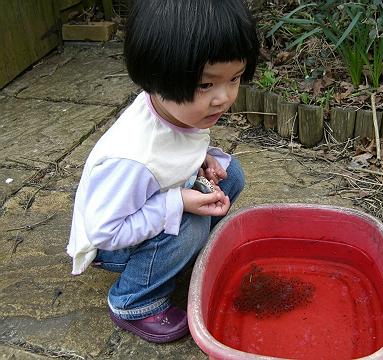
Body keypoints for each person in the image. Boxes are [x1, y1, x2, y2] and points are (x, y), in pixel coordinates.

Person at [67, 0, 259, 343]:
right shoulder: (132, 159)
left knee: (233, 173)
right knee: (193, 225)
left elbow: (181, 145)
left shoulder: (176, 108)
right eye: (205, 85)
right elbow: (105, 233)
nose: (224, 98)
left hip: (147, 199)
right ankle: (134, 300)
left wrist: (203, 159)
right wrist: (178, 203)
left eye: (235, 78)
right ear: (156, 77)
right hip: (112, 240)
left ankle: (182, 254)